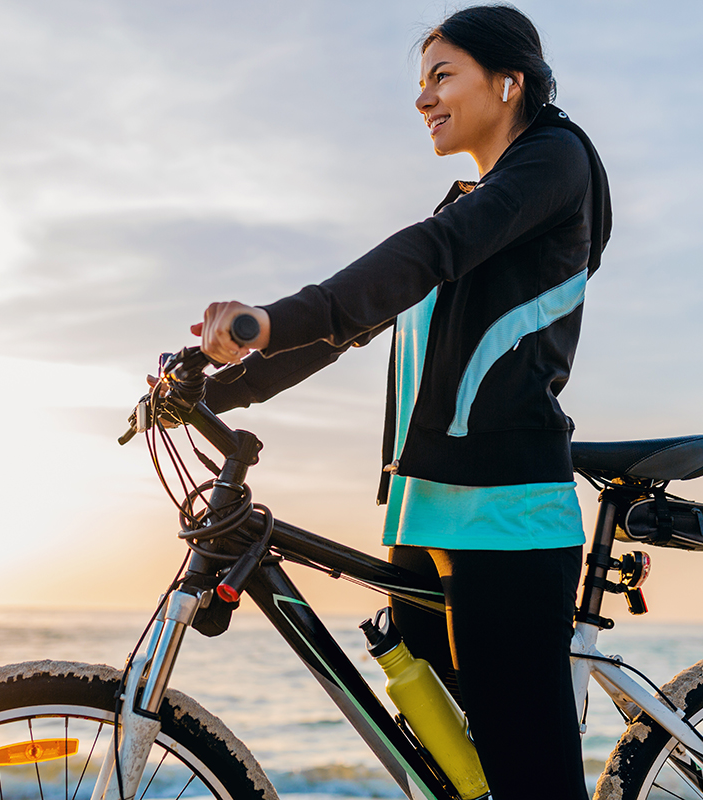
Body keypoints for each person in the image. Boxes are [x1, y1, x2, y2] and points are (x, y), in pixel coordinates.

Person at [194, 5, 610, 798]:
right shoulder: (470, 202)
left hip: (506, 509)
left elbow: (428, 255)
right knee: (456, 767)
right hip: (426, 509)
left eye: (442, 77)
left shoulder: (555, 163)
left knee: (532, 778)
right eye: (420, 84)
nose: (423, 99)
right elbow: (351, 325)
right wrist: (219, 385)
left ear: (509, 81)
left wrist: (270, 315)